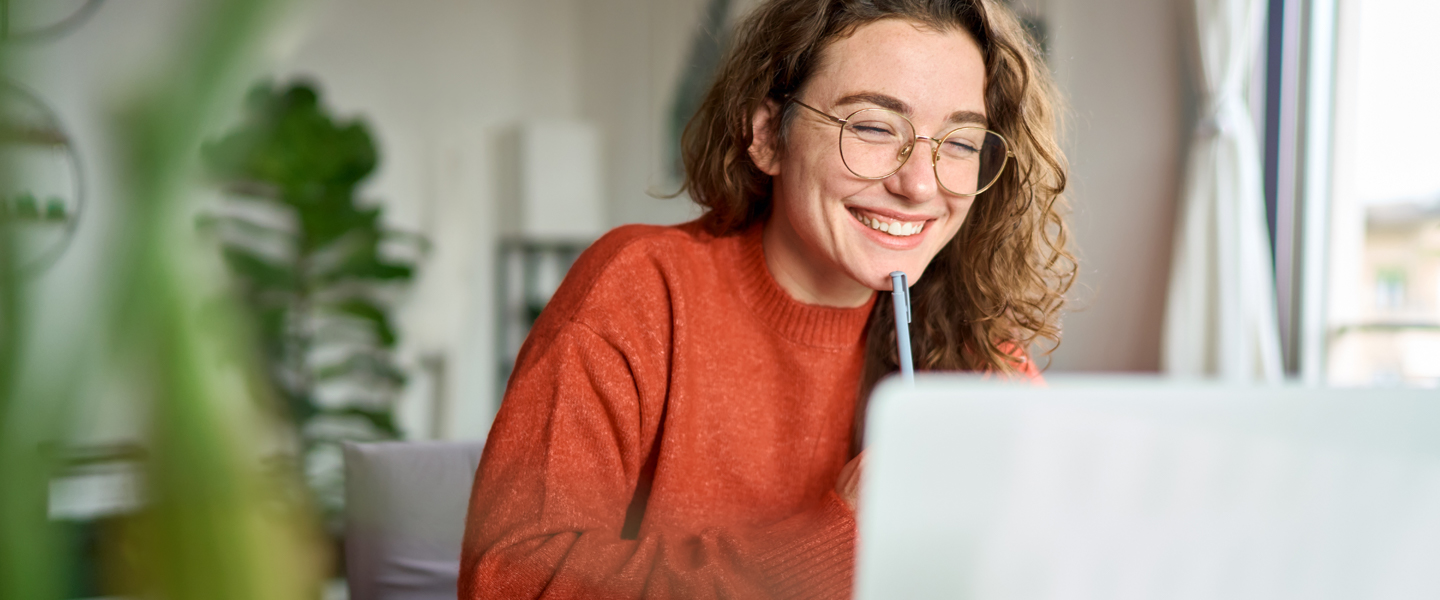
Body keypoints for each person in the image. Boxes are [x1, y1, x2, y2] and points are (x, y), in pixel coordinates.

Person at [459, 0, 1073, 597]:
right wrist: (841, 537)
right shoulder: (641, 291)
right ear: (767, 136)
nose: (918, 184)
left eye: (960, 143)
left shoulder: (977, 358)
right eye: (871, 126)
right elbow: (510, 584)